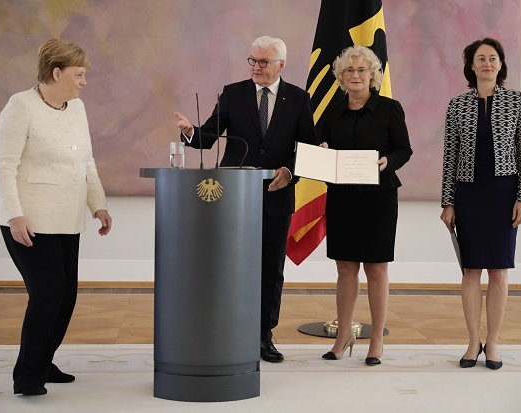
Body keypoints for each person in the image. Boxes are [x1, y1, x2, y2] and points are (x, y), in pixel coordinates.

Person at [173, 35, 317, 363]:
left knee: (270, 268)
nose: (256, 67)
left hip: (276, 195)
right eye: (252, 60)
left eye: (263, 62)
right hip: (233, 196)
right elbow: (208, 136)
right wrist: (189, 132)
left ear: (281, 64)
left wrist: (290, 171)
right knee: (231, 267)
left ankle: (263, 335)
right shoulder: (233, 93)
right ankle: (227, 330)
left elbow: (308, 147)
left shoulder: (297, 98)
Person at [0, 38, 112, 396]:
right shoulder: (20, 106)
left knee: (66, 295)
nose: (84, 82)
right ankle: (28, 375)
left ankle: (44, 360)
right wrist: (15, 216)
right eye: (79, 75)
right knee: (48, 293)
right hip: (29, 220)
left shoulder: (76, 108)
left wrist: (99, 205)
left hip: (67, 217)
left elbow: (86, 162)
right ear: (56, 72)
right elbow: (3, 167)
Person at [440, 38, 521, 370]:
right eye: (481, 58)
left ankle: (492, 343)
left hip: (504, 194)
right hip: (468, 194)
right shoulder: (457, 104)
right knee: (470, 270)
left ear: (501, 64)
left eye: (492, 58)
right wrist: (447, 202)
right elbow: (449, 157)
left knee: (498, 270)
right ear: (471, 65)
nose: (487, 64)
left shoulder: (516, 101)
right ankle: (471, 342)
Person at [317, 45, 412, 365]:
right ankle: (344, 334)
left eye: (361, 70)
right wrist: (323, 147)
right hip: (342, 198)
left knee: (376, 269)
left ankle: (375, 340)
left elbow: (404, 149)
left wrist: (388, 161)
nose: (355, 75)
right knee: (345, 268)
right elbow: (319, 145)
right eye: (349, 70)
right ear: (341, 77)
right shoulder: (332, 110)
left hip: (379, 198)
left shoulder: (389, 108)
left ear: (373, 74)